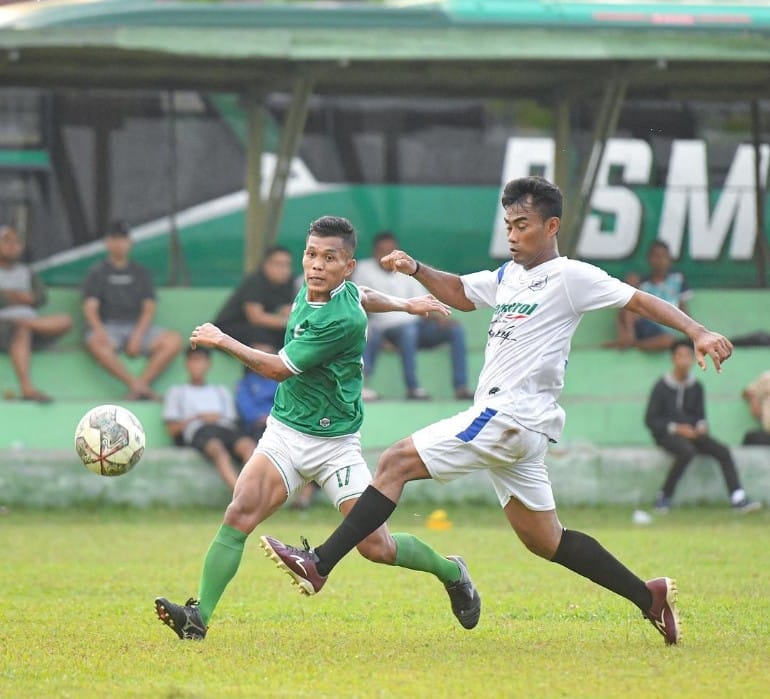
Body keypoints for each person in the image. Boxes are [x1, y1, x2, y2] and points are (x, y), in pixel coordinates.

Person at [261, 176, 739, 647]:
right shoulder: (509, 275)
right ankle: (648, 596)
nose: (512, 234)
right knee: (544, 540)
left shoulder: (572, 276)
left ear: (551, 226)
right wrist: (415, 268)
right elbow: (462, 295)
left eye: (522, 224)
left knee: (394, 462)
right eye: (508, 224)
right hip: (515, 426)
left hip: (513, 414)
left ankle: (319, 563)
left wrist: (697, 331)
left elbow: (640, 301)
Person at [153, 215, 479, 640]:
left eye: (330, 258)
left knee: (376, 547)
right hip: (286, 433)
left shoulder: (343, 322)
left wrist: (223, 339)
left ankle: (452, 571)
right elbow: (362, 293)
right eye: (311, 255)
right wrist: (405, 303)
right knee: (239, 513)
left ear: (347, 264)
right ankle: (199, 618)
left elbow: (276, 369)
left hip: (335, 445)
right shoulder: (323, 288)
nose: (316, 265)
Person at [353, 231, 472, 401]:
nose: (386, 254)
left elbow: (422, 303)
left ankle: (461, 387)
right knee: (409, 330)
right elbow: (360, 304)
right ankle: (413, 388)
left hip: (416, 325)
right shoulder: (364, 269)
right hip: (386, 329)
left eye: (390, 250)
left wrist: (439, 319)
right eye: (382, 250)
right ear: (375, 252)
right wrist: (379, 338)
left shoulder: (405, 268)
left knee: (455, 330)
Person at [645, 339, 761, 513]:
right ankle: (664, 496)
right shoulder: (661, 386)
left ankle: (738, 498)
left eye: (688, 356)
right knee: (686, 451)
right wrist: (676, 428)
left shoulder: (696, 386)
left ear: (693, 359)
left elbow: (700, 416)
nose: (684, 361)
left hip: (693, 435)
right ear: (673, 359)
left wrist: (700, 426)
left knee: (723, 451)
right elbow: (651, 420)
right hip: (667, 435)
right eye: (680, 356)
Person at [82, 221, 183, 400]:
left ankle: (139, 387)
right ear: (107, 243)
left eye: (123, 239)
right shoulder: (97, 272)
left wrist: (137, 335)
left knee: (174, 340)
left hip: (137, 327)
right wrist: (100, 331)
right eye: (115, 239)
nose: (119, 244)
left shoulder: (140, 272)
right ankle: (136, 385)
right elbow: (90, 308)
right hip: (109, 327)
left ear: (130, 242)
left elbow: (149, 307)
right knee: (96, 343)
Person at [163, 346, 258, 490]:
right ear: (186, 364)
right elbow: (172, 430)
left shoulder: (221, 391)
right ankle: (239, 493)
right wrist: (198, 417)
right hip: (199, 431)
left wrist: (215, 417)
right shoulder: (177, 392)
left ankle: (253, 492)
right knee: (217, 449)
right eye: (194, 360)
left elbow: (232, 420)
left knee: (248, 447)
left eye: (201, 361)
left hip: (225, 427)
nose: (197, 365)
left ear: (209, 364)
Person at [0, 225, 72, 402]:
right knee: (21, 331)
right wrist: (21, 297)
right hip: (3, 326)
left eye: (16, 242)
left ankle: (23, 323)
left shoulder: (27, 272)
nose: (12, 246)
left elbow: (40, 298)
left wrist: (13, 296)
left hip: (31, 324)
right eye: (6, 241)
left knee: (65, 321)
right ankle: (27, 389)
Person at [605, 239, 692, 352]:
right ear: (649, 259)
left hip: (665, 330)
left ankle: (633, 344)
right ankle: (627, 337)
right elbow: (625, 309)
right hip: (644, 324)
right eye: (656, 256)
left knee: (668, 341)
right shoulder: (642, 283)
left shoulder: (677, 279)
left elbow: (683, 309)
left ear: (670, 259)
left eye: (663, 256)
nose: (660, 260)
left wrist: (692, 331)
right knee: (631, 286)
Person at [214, 246, 295, 349]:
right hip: (229, 329)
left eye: (287, 265)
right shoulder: (256, 281)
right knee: (263, 344)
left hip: (259, 329)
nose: (284, 270)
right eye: (279, 264)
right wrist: (288, 323)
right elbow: (256, 317)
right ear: (266, 265)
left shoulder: (288, 283)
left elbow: (287, 311)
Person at [741, 370, 770, 445]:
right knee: (751, 438)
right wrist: (754, 401)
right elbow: (747, 392)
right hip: (767, 433)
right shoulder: (767, 378)